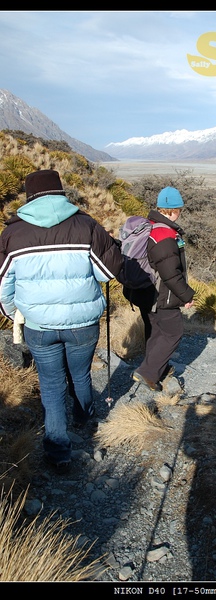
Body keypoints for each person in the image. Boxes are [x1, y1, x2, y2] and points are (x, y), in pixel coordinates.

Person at [0, 169, 124, 474]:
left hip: (39, 327)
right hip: (82, 324)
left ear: (29, 198)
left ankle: (58, 452)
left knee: (51, 384)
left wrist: (14, 314)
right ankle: (85, 418)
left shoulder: (12, 234)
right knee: (80, 375)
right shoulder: (86, 225)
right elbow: (107, 273)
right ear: (61, 194)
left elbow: (3, 286)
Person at [132, 186, 195, 392]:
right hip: (162, 295)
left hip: (145, 291)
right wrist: (186, 295)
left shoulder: (149, 226)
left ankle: (155, 369)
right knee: (172, 332)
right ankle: (148, 373)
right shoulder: (164, 234)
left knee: (156, 332)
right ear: (174, 209)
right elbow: (170, 273)